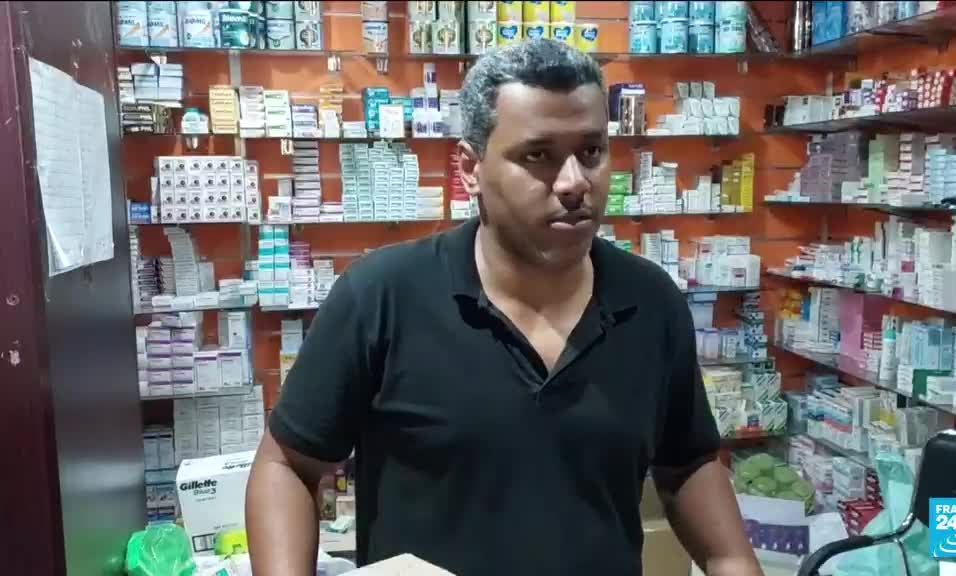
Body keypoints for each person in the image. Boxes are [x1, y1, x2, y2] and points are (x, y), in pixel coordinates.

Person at [246, 38, 761, 576]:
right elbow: (286, 465)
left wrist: (732, 560)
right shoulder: (382, 296)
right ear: (470, 169)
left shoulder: (651, 303)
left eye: (591, 152)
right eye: (538, 156)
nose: (574, 182)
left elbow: (688, 462)